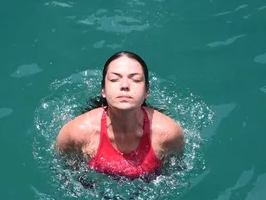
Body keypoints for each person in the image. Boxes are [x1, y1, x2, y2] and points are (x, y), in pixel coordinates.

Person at [55, 51, 184, 180]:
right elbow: (67, 174)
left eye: (136, 79)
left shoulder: (168, 134)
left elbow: (174, 174)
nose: (124, 86)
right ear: (103, 90)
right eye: (114, 79)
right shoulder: (76, 133)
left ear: (147, 91)